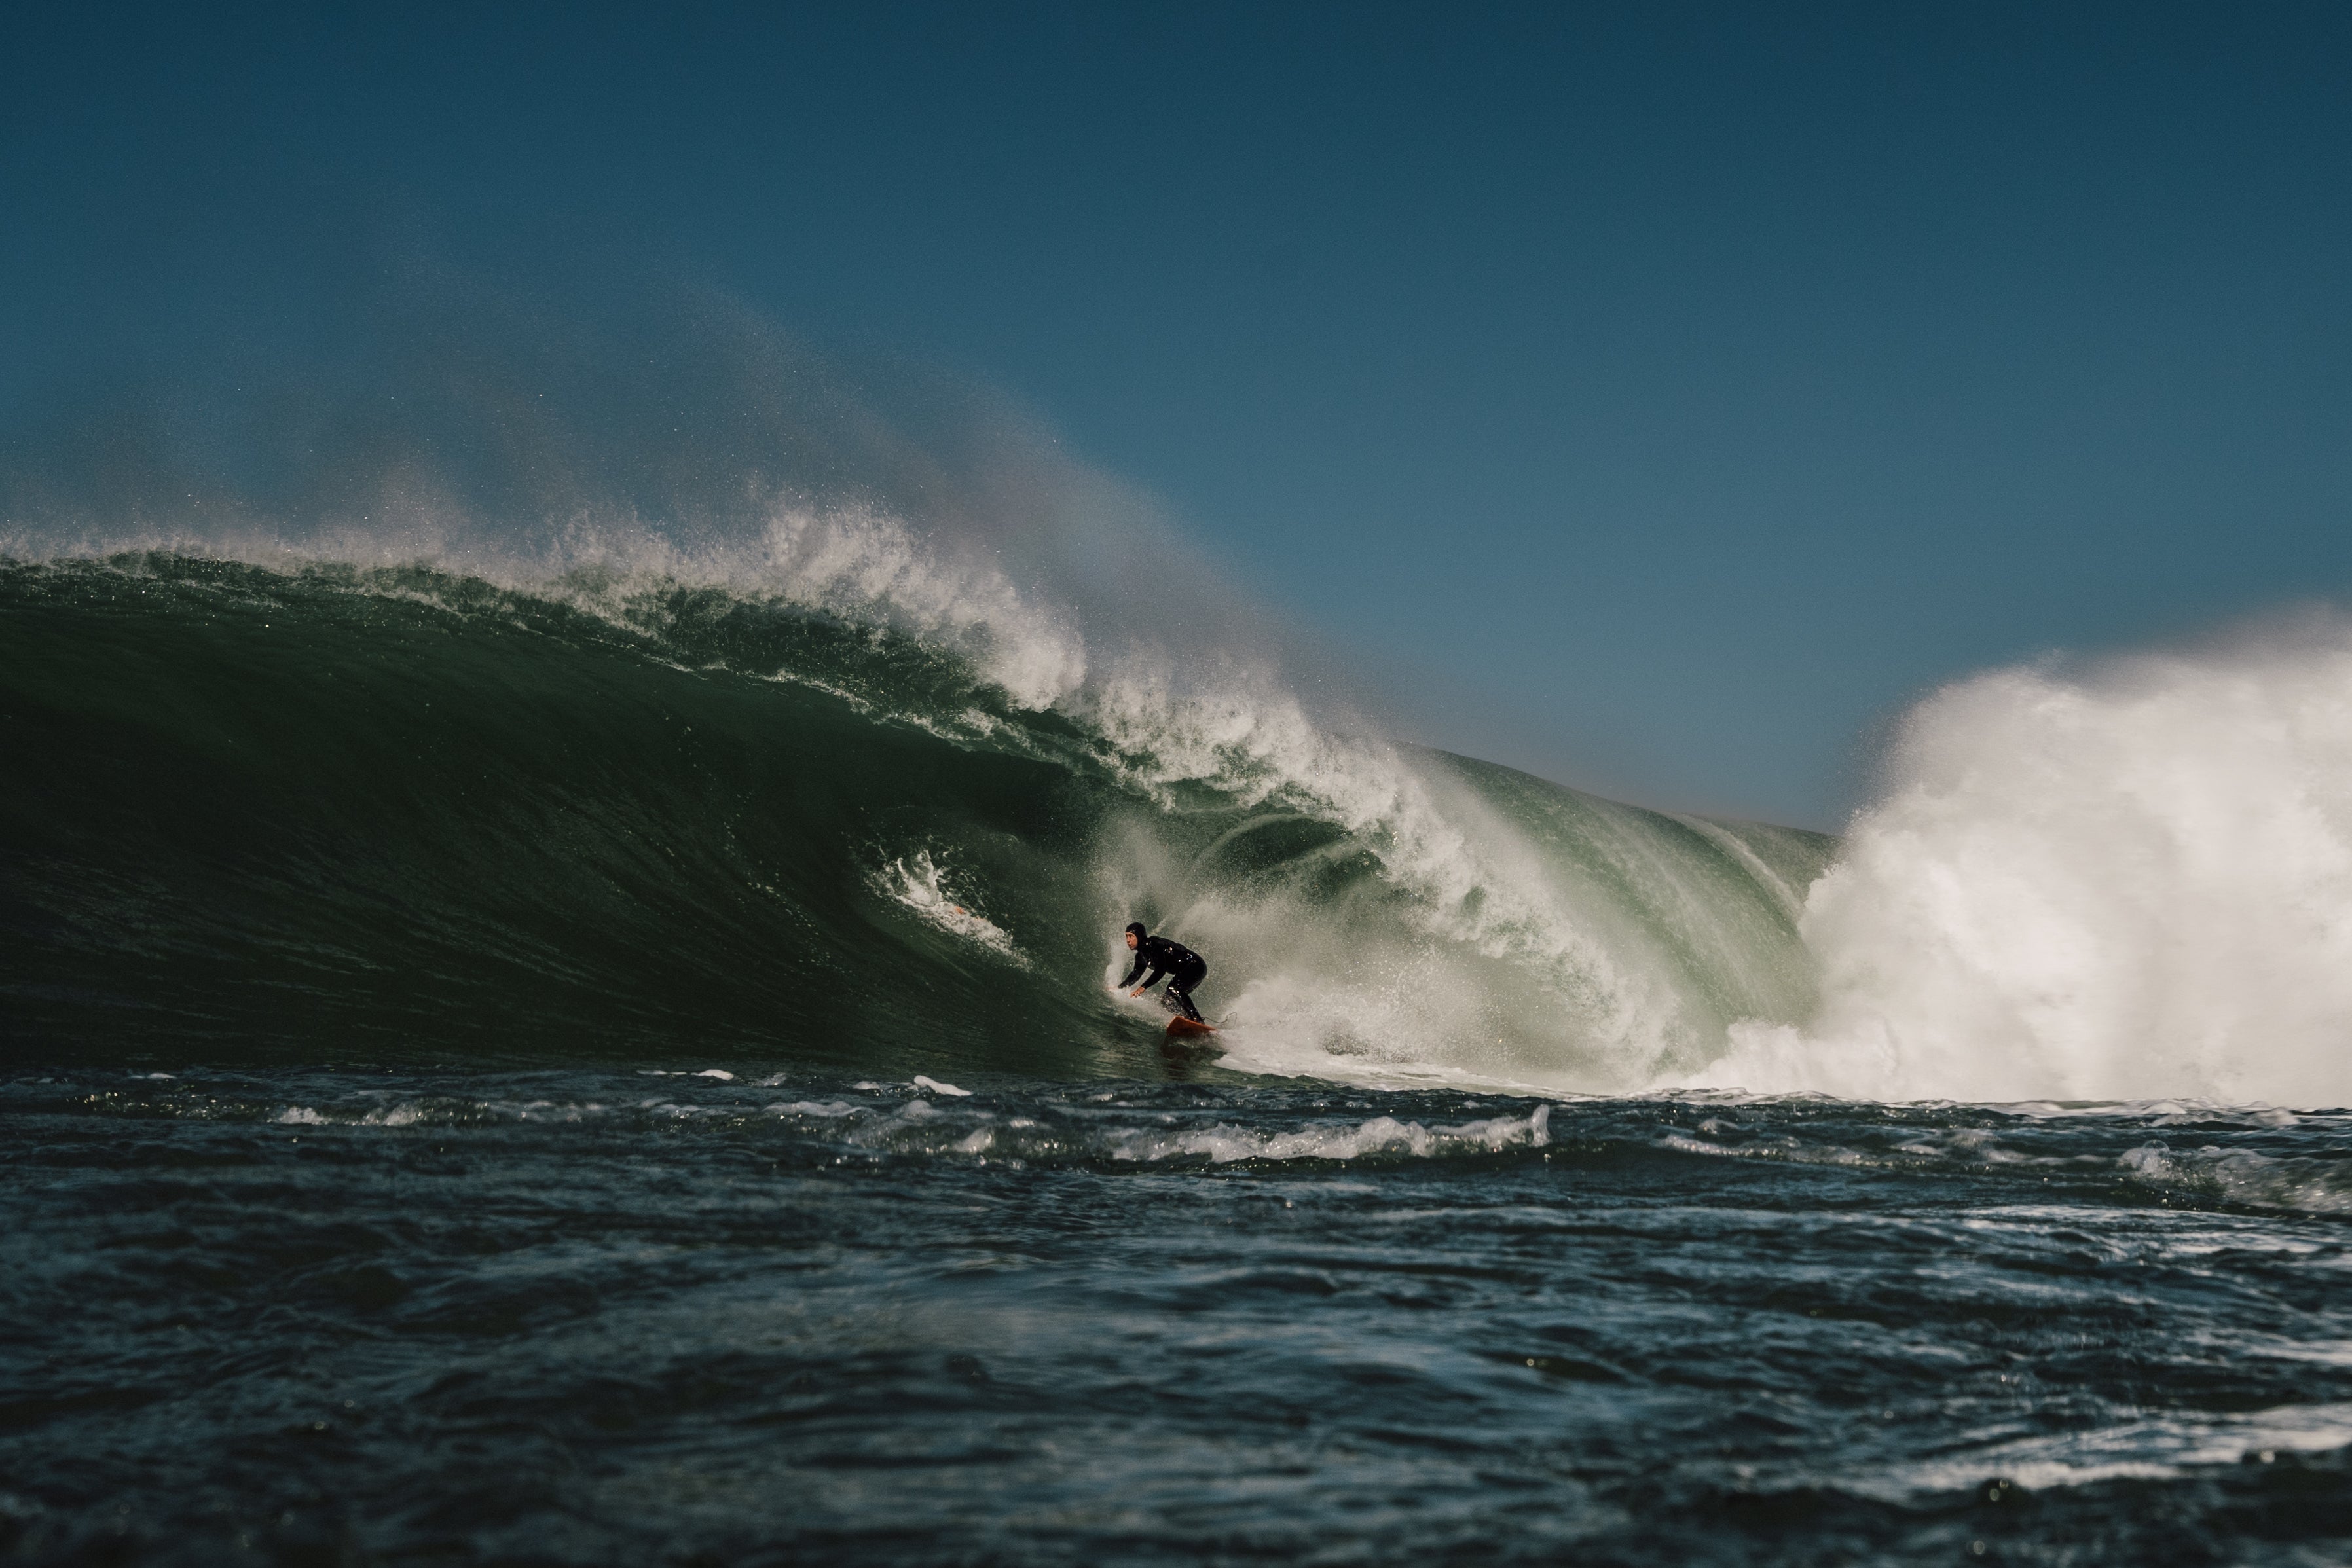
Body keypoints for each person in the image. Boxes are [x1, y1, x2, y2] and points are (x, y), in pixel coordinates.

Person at [1116, 921, 1208, 1023]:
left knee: (1174, 988)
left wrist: (1143, 987)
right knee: (1166, 1002)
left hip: (1195, 966)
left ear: (1139, 936)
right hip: (1185, 971)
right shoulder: (1141, 956)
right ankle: (1188, 1020)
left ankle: (1197, 1019)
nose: (1128, 941)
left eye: (1131, 936)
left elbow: (1160, 970)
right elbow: (1135, 975)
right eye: (1126, 936)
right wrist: (1119, 988)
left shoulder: (1154, 944)